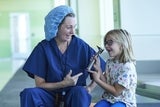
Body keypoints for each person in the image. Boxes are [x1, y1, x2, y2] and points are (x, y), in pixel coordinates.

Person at [20, 5, 105, 107]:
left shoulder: (81, 46)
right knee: (29, 94)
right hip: (49, 95)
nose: (73, 32)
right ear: (56, 26)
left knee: (81, 92)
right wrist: (63, 84)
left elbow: (100, 70)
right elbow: (40, 84)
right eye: (68, 27)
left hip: (74, 95)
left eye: (74, 27)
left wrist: (90, 88)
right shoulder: (43, 48)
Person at [88, 29, 137, 107]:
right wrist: (99, 68)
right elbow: (106, 82)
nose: (106, 46)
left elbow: (116, 92)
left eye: (110, 42)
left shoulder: (127, 67)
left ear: (122, 44)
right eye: (106, 43)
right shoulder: (110, 62)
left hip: (124, 102)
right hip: (109, 99)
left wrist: (97, 80)